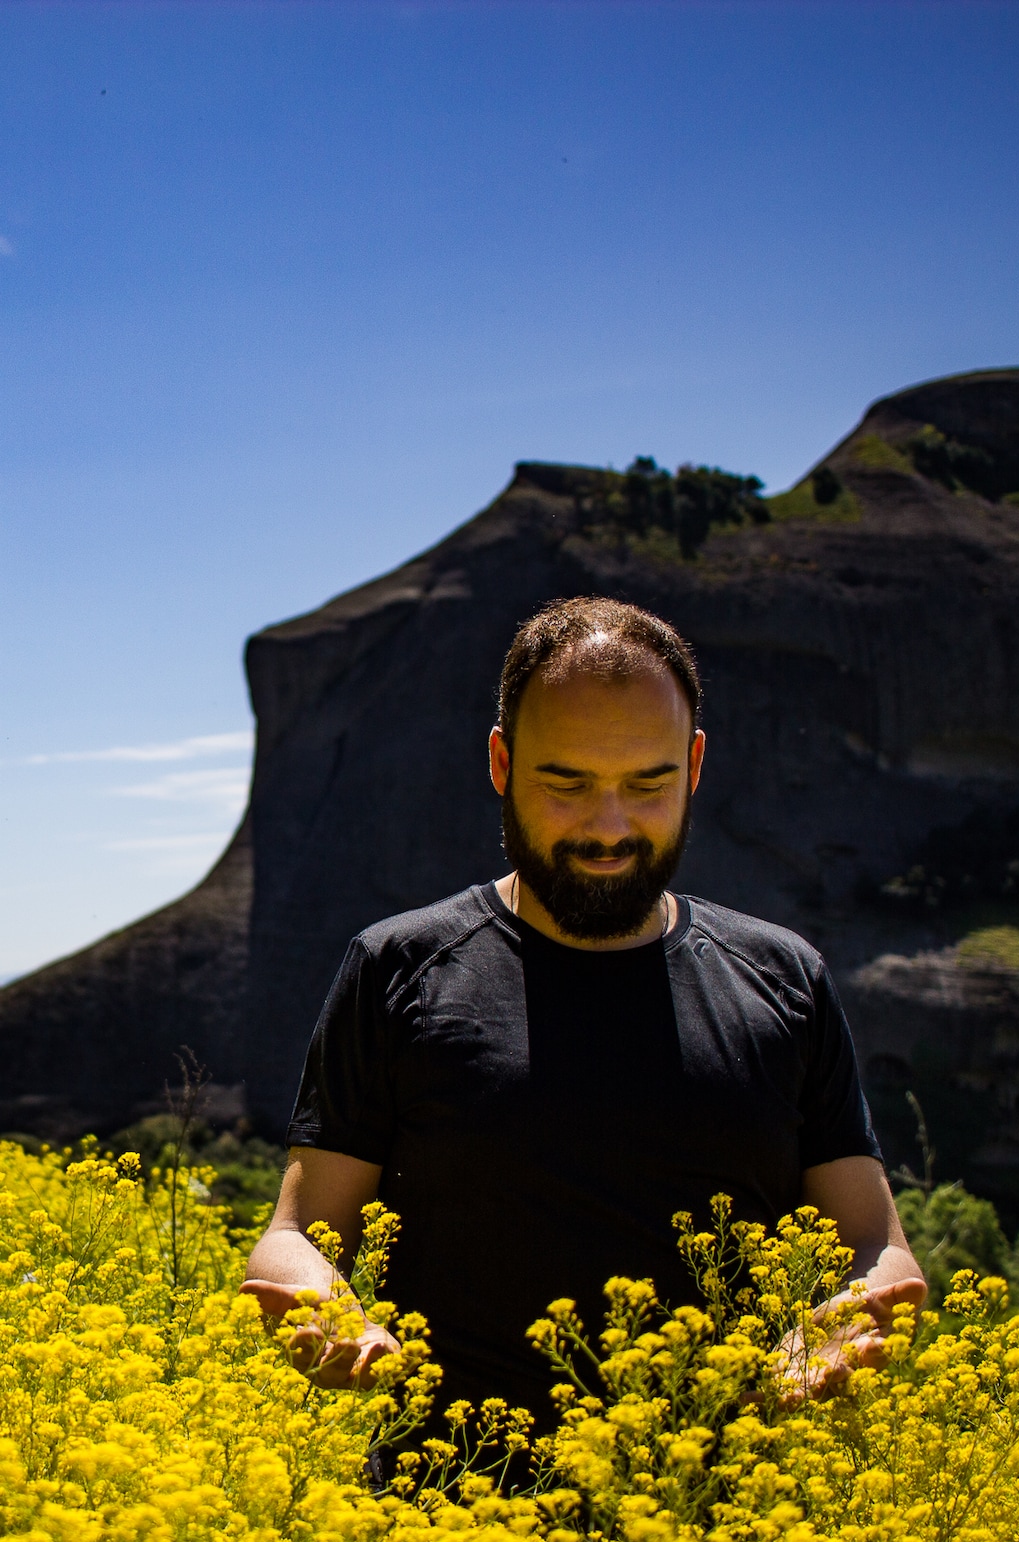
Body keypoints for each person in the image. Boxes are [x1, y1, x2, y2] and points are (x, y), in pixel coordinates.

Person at [242, 597, 926, 1421]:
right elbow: (299, 1230)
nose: (610, 827)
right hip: (450, 1531)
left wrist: (846, 1325)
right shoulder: (396, 969)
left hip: (734, 1531)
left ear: (696, 767)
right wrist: (318, 1301)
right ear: (501, 763)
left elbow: (874, 1244)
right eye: (566, 783)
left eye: (648, 784)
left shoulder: (785, 978)